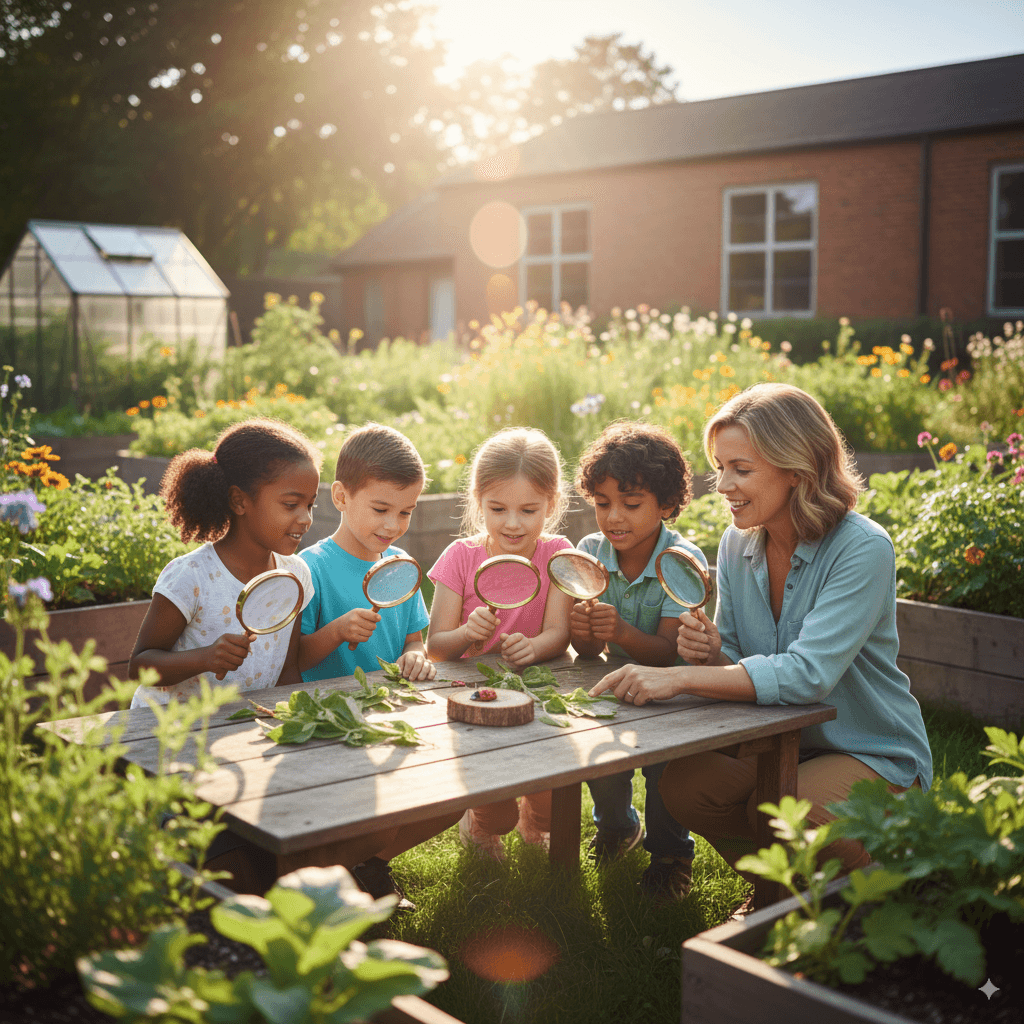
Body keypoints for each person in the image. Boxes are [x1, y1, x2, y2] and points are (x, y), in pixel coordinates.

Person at [590, 383, 933, 878]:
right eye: (721, 468)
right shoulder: (737, 541)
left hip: (866, 748)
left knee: (786, 810)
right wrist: (709, 653)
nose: (723, 485)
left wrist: (681, 677)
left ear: (797, 469)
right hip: (773, 737)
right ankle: (777, 896)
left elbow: (807, 675)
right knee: (685, 788)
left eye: (741, 469)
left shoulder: (862, 548)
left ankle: (883, 894)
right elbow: (733, 653)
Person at [129, 418, 320, 893]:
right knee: (228, 869)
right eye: (291, 505)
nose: (305, 519)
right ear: (240, 501)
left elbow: (289, 664)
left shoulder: (295, 574)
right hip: (166, 744)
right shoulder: (190, 577)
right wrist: (205, 657)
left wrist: (296, 729)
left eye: (310, 506)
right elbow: (141, 665)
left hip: (239, 742)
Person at [298, 422, 459, 906]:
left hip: (391, 714)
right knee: (351, 810)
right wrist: (335, 631)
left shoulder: (400, 565)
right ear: (342, 497)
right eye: (381, 509)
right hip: (330, 723)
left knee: (448, 800)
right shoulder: (311, 568)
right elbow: (294, 660)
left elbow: (414, 637)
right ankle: (341, 873)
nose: (392, 525)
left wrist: (415, 656)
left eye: (406, 512)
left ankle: (369, 863)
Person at [571, 421, 704, 902]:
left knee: (664, 773)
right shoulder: (589, 552)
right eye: (603, 503)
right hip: (612, 683)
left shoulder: (681, 560)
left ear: (666, 505)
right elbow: (586, 651)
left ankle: (670, 855)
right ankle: (617, 828)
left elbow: (669, 648)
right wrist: (585, 632)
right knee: (602, 761)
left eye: (631, 504)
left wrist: (622, 633)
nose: (614, 518)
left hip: (671, 690)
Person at [426, 427, 574, 858]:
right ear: (478, 502)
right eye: (498, 508)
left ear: (552, 504)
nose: (513, 523)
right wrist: (468, 634)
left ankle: (536, 820)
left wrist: (536, 647)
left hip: (540, 691)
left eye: (529, 510)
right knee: (496, 809)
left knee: (549, 797)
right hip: (474, 700)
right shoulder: (460, 557)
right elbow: (436, 646)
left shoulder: (557, 553)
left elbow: (558, 631)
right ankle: (482, 826)